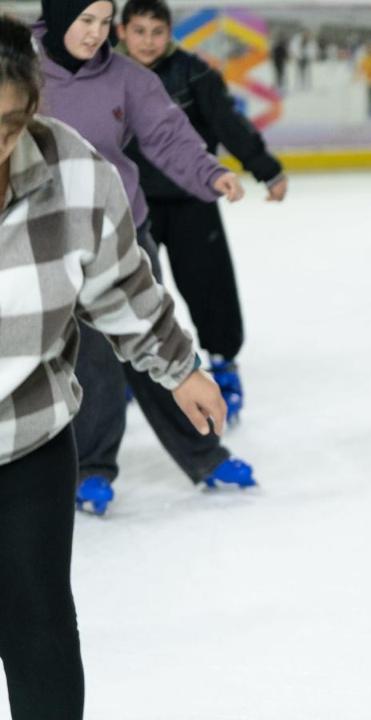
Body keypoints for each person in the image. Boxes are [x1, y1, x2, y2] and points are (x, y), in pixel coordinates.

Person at [0, 17, 226, 719]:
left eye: (8, 124)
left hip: (28, 438)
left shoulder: (70, 170)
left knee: (39, 630)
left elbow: (121, 287)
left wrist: (179, 366)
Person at [35, 0, 254, 516]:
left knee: (160, 339)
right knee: (91, 360)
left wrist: (208, 173)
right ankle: (91, 470)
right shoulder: (21, 69)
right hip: (53, 241)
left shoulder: (125, 77)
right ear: (60, 18)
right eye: (85, 21)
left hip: (124, 232)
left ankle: (205, 453)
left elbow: (167, 133)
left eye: (105, 22)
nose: (96, 34)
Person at [118, 0, 288, 425]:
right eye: (139, 31)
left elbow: (228, 123)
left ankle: (223, 363)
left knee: (210, 287)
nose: (148, 41)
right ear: (121, 32)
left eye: (157, 32)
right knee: (131, 291)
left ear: (170, 32)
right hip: (132, 204)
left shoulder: (193, 72)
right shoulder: (107, 77)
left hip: (193, 200)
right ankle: (128, 373)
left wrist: (266, 170)